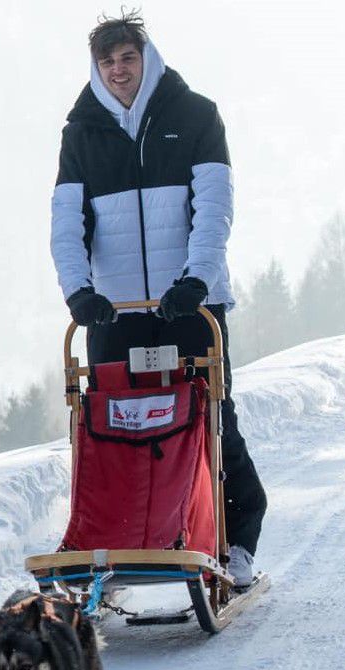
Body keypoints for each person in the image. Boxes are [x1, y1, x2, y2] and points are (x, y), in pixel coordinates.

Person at [49, 13, 266, 588]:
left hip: (189, 303)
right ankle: (117, 536)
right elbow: (66, 223)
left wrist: (197, 278)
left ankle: (236, 538)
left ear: (147, 58)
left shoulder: (195, 115)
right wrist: (79, 294)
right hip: (115, 311)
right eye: (108, 62)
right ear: (96, 70)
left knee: (209, 414)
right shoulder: (81, 134)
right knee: (118, 423)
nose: (119, 71)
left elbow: (214, 208)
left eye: (128, 58)